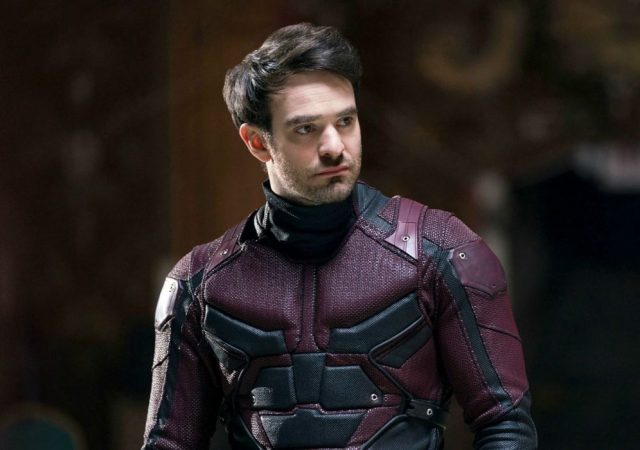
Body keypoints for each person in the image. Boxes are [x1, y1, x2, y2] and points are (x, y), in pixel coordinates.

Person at [141, 23, 537, 449]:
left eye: (345, 121)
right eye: (306, 129)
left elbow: (506, 425)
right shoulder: (198, 282)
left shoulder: (442, 251)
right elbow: (168, 443)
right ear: (257, 142)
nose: (334, 146)